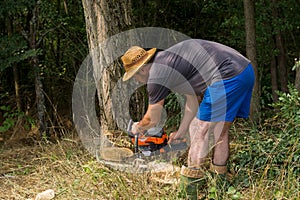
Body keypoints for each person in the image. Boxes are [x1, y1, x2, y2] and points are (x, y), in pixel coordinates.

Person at [121, 39, 255, 199]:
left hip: (228, 73)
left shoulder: (156, 74)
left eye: (135, 77)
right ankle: (220, 185)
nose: (136, 81)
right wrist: (181, 132)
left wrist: (138, 128)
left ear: (142, 70)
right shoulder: (170, 62)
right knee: (220, 131)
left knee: (200, 129)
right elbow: (192, 102)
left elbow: (152, 119)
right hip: (244, 70)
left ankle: (189, 191)